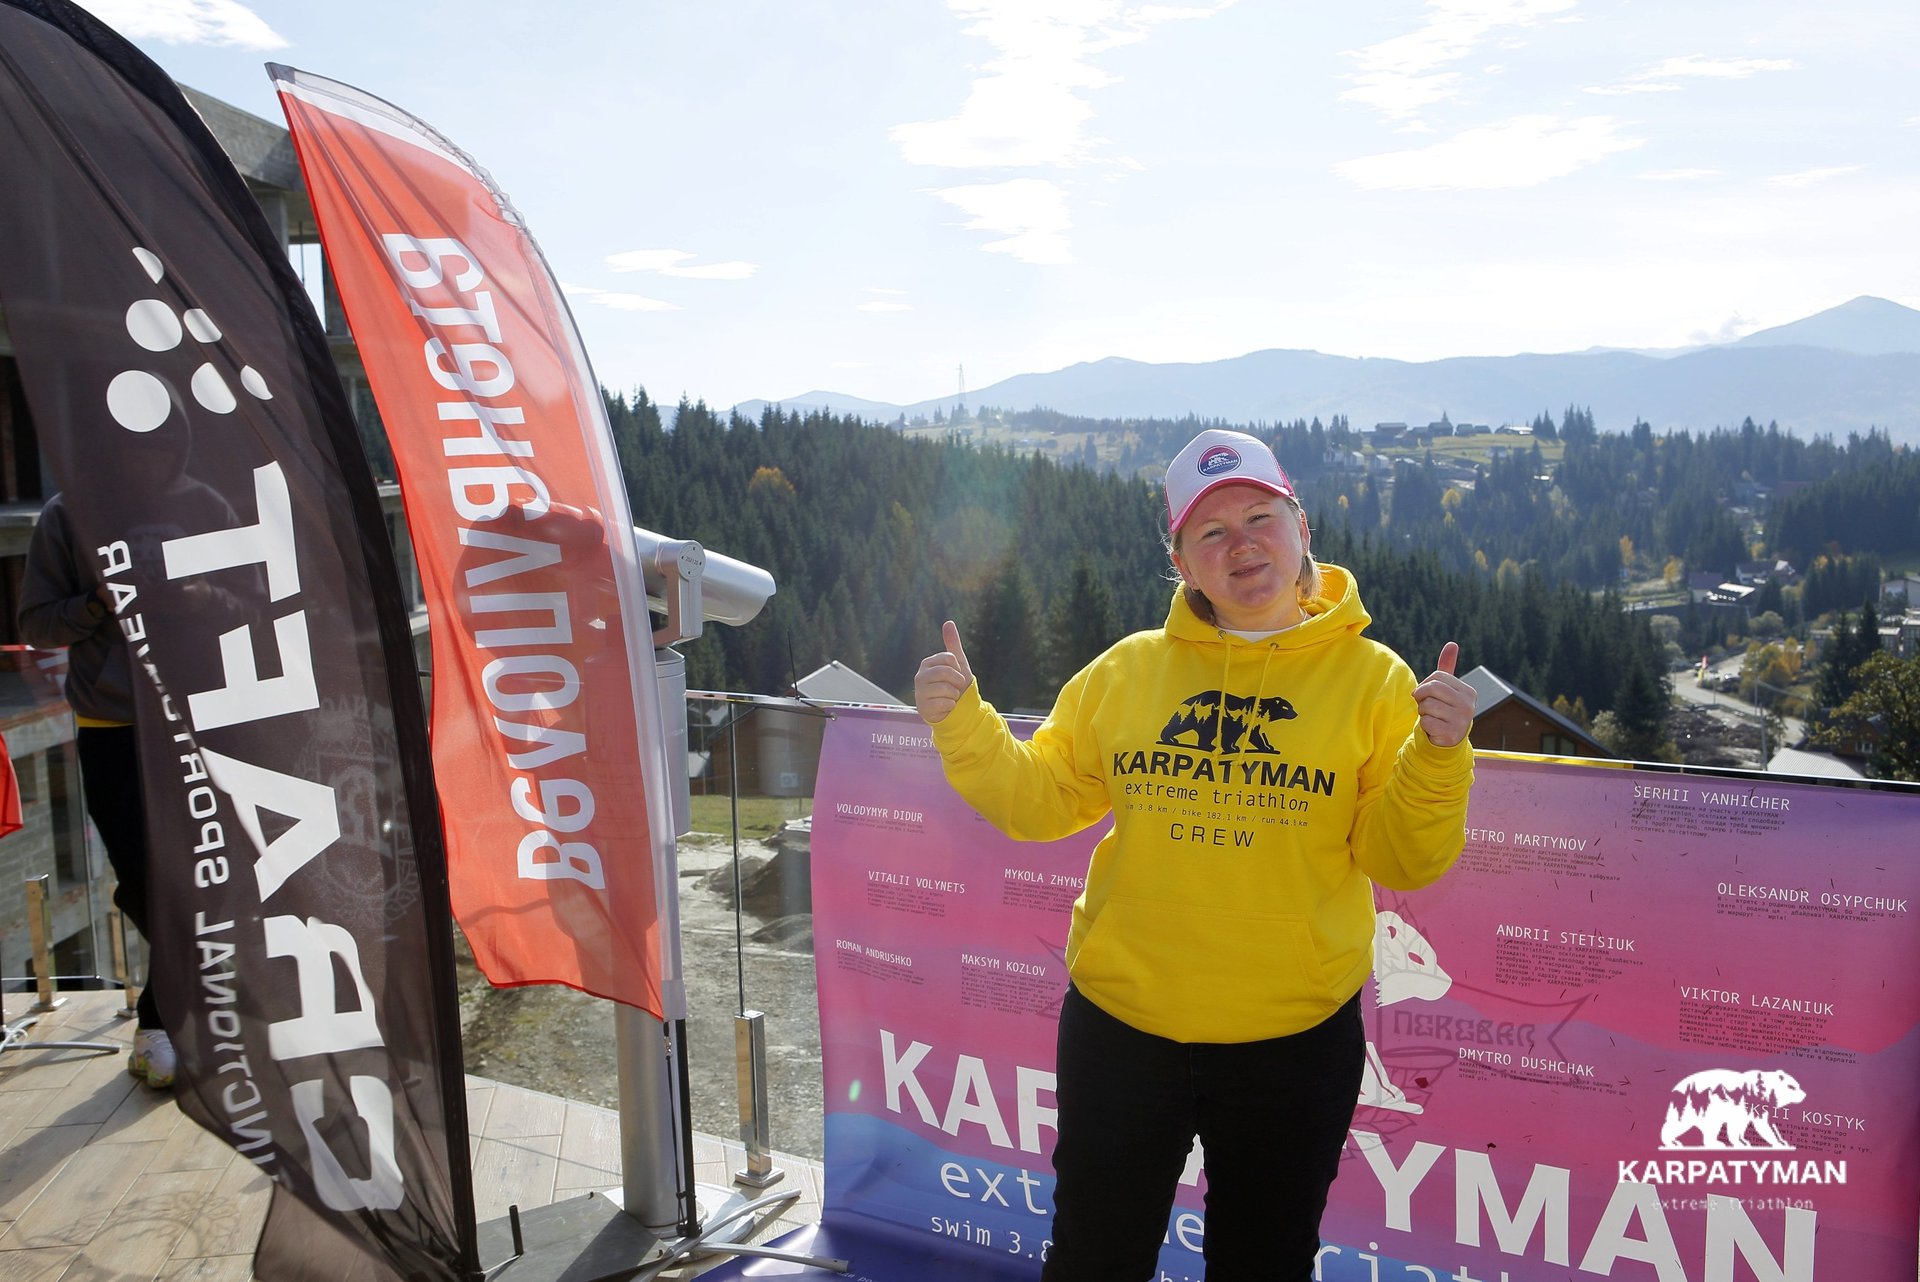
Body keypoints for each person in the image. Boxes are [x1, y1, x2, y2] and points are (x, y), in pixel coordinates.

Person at [914, 428, 1475, 1282]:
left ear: (1301, 531)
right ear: (1180, 562)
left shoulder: (1376, 681)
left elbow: (1401, 859)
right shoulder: (1127, 672)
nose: (1242, 544)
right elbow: (1039, 799)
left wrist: (1437, 758)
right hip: (1122, 1032)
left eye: (1260, 518)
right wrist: (963, 723)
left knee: (1263, 1265)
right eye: (1212, 531)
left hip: (1292, 1042)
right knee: (1095, 1259)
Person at [17, 492, 174, 1088]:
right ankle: (182, 1009)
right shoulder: (69, 512)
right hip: (113, 727)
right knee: (142, 881)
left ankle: (160, 1021)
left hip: (205, 723)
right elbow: (36, 624)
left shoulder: (205, 493)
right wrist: (98, 602)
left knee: (204, 881)